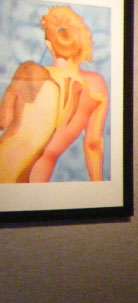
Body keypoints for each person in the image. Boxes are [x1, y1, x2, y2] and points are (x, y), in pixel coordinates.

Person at [0, 5, 109, 183]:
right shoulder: (96, 86)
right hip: (39, 178)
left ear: (49, 44)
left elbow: (4, 122)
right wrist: (99, 187)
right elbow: (93, 145)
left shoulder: (30, 76)